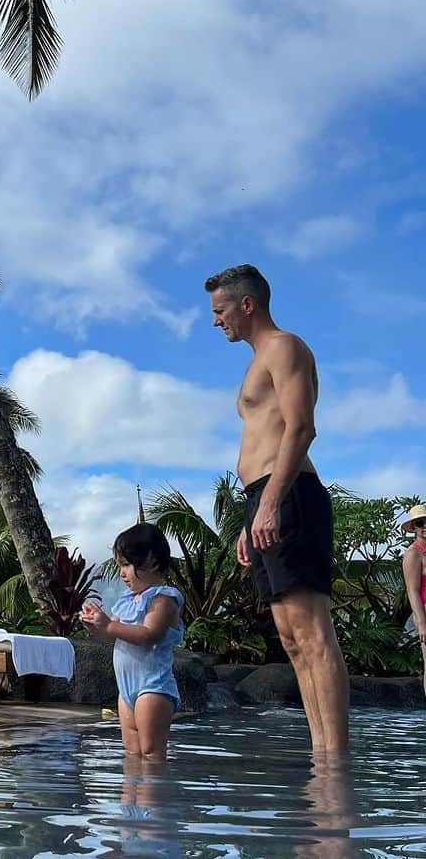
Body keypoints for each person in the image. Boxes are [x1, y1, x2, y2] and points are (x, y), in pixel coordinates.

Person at [205, 263, 349, 756]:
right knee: (290, 639)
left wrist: (269, 503)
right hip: (264, 497)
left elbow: (301, 428)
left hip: (289, 495)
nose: (216, 321)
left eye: (220, 311)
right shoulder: (256, 360)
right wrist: (252, 514)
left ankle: (336, 761)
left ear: (247, 304)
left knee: (311, 632)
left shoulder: (285, 346)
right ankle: (320, 753)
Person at [80, 522, 184, 763]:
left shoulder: (163, 599)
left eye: (127, 565)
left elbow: (148, 635)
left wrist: (108, 625)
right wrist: (95, 626)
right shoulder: (127, 600)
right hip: (126, 690)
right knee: (132, 752)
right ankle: (130, 801)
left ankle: (153, 799)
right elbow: (111, 634)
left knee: (151, 752)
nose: (121, 573)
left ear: (152, 562)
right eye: (120, 565)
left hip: (153, 687)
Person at [400, 501, 426, 696]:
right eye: (420, 523)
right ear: (414, 528)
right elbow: (412, 591)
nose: (424, 526)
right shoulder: (413, 554)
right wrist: (422, 623)